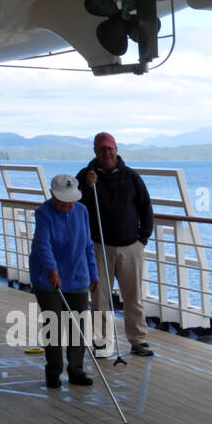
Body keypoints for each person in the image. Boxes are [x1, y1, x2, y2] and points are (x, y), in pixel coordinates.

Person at [77, 132, 155, 356]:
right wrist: (88, 188)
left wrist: (143, 239)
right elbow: (78, 208)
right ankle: (102, 341)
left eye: (110, 148)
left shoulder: (131, 177)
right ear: (96, 152)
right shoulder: (85, 176)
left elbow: (146, 208)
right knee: (100, 297)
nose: (107, 152)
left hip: (131, 246)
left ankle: (138, 340)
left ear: (116, 149)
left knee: (133, 296)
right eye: (102, 149)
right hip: (99, 246)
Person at [29, 175, 97, 389]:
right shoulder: (44, 213)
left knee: (78, 326)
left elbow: (87, 245)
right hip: (47, 278)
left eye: (70, 200)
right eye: (62, 200)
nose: (67, 205)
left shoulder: (82, 212)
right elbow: (43, 245)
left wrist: (93, 273)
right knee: (54, 324)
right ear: (52, 195)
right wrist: (52, 269)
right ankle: (53, 371)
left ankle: (76, 370)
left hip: (78, 275)